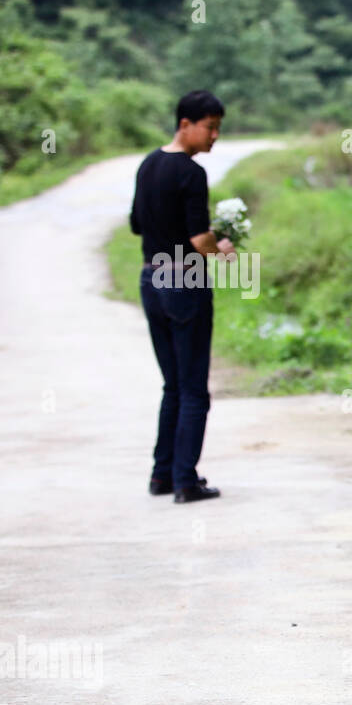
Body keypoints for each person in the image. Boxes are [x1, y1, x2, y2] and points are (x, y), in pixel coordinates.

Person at [129, 90, 236, 503]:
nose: (214, 137)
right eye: (210, 128)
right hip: (185, 281)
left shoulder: (148, 164)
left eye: (218, 129)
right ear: (185, 124)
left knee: (172, 384)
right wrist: (221, 249)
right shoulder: (191, 173)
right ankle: (186, 481)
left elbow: (137, 224)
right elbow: (197, 240)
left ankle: (163, 475)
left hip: (150, 279)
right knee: (193, 388)